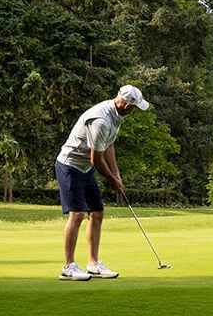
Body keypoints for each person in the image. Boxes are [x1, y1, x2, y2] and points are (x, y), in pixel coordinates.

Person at [55, 85, 150, 280]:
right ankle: (68, 267)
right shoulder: (101, 121)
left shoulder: (116, 115)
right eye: (134, 107)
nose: (135, 111)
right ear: (124, 104)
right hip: (70, 165)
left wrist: (116, 173)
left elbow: (109, 145)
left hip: (84, 168)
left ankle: (93, 264)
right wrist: (112, 180)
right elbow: (96, 159)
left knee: (97, 213)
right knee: (77, 214)